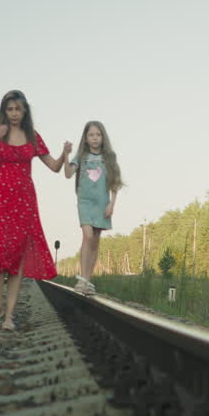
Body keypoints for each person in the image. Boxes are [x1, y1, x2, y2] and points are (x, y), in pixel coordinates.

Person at [0, 90, 71, 330]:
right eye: (10, 109)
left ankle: (9, 315)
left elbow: (55, 167)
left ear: (25, 110)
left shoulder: (32, 136)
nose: (14, 114)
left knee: (17, 256)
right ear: (4, 111)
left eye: (18, 109)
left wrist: (64, 154)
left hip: (24, 201)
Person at [63, 120, 123, 296]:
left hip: (102, 203)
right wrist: (66, 155)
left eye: (98, 135)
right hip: (85, 202)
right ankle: (82, 279)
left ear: (103, 137)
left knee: (95, 241)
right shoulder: (81, 157)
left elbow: (115, 182)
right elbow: (67, 174)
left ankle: (87, 281)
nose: (95, 138)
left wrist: (112, 204)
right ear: (86, 138)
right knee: (87, 235)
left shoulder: (109, 157)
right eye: (91, 135)